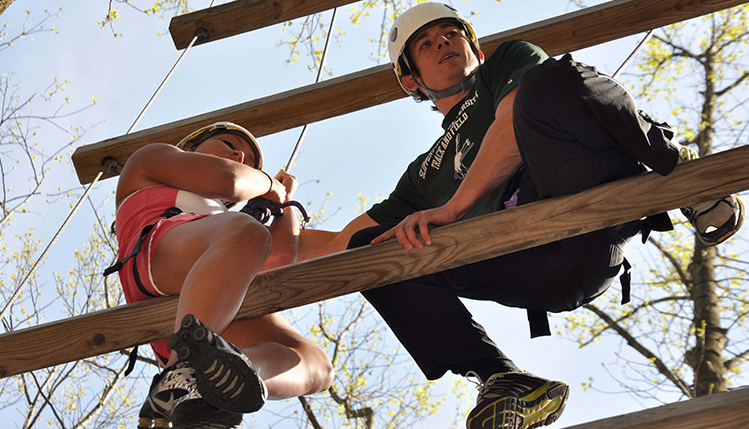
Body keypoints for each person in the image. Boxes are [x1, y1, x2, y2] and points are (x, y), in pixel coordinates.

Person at [298, 3, 744, 429]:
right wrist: (261, 218)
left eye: (451, 32)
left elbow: (512, 122)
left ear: (475, 47)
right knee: (369, 252)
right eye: (425, 44)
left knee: (551, 80)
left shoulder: (506, 64)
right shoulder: (422, 176)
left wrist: (454, 208)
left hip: (578, 208)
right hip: (527, 268)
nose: (442, 42)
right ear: (412, 80)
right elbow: (337, 245)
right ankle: (500, 378)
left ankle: (679, 171)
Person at [111, 122, 334, 429]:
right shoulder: (152, 160)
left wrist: (284, 204)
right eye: (228, 143)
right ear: (191, 148)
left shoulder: (222, 221)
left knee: (317, 366)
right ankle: (184, 371)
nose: (239, 155)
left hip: (209, 311)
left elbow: (280, 258)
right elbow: (227, 179)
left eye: (249, 162)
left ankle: (215, 381)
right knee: (245, 231)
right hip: (158, 256)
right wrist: (269, 183)